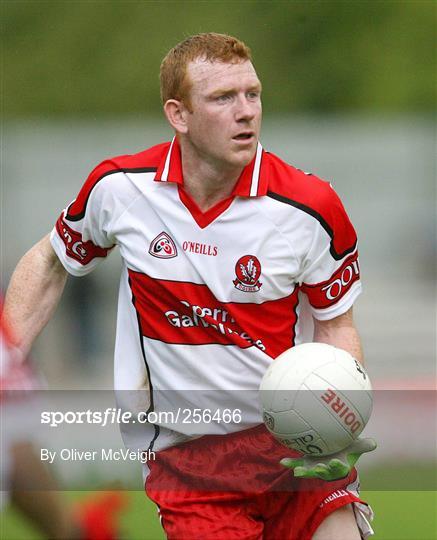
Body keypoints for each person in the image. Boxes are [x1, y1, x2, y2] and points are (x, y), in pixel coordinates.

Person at [4, 33, 376, 539]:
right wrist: (8, 357)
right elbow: (50, 260)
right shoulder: (120, 189)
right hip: (190, 462)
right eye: (223, 98)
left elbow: (336, 327)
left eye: (253, 93)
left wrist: (340, 424)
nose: (246, 111)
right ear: (179, 115)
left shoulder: (311, 207)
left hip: (295, 449)